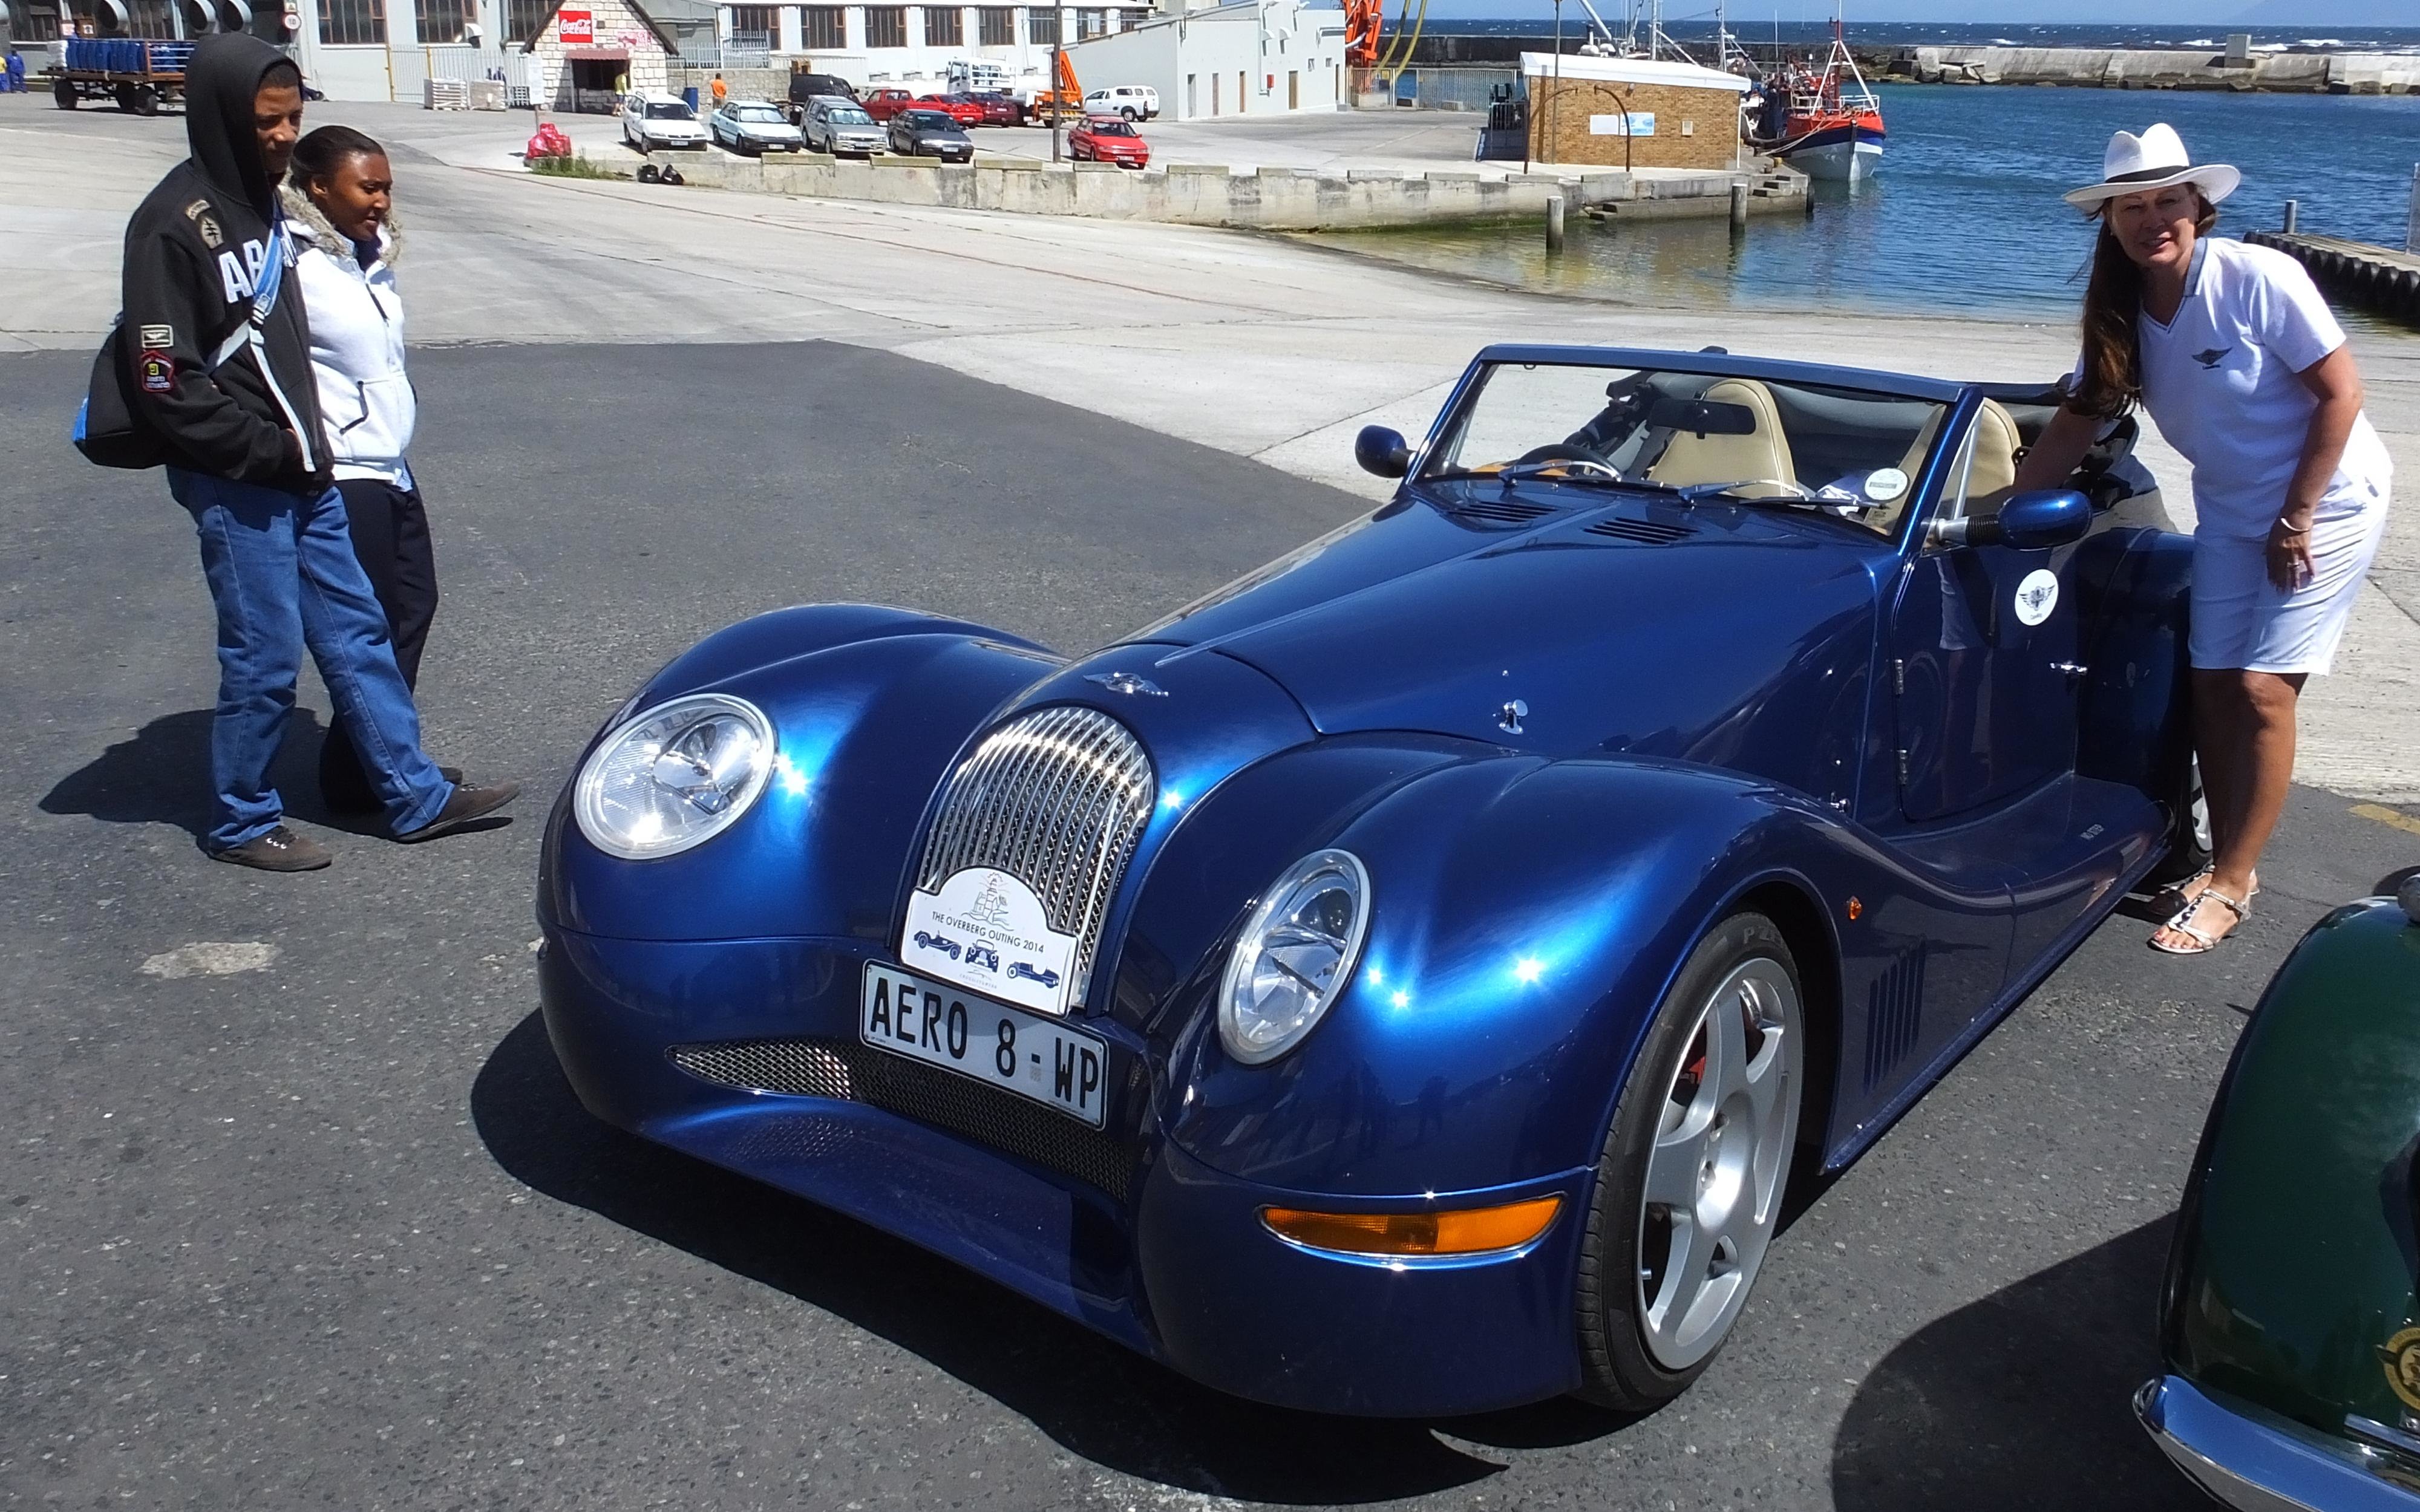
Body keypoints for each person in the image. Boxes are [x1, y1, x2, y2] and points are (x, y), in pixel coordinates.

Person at [119, 33, 517, 870]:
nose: (282, 136)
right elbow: (163, 377)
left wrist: (305, 448)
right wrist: (263, 447)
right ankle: (241, 820)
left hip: (308, 469)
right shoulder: (172, 225)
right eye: (266, 120)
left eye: (292, 118)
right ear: (220, 114)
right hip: (239, 476)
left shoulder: (267, 209)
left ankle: (413, 796)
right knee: (264, 656)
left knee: (361, 635)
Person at [2012, 123, 2392, 953]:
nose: (2153, 218)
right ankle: (2225, 862)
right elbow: (2078, 421)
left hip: (2326, 502)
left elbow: (2342, 394)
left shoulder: (2257, 277)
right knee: (2212, 683)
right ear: (2111, 221)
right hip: (2230, 508)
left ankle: (2232, 883)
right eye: (2133, 206)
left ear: (2199, 206)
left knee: (2262, 690)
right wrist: (2002, 513)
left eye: (2168, 201)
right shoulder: (2120, 310)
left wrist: (2296, 516)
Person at [280, 125, 442, 815]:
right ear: (320, 187)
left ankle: (368, 766)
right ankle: (371, 775)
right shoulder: (292, 262)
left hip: (389, 462)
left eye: (386, 188)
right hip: (341, 471)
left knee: (413, 608)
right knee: (368, 626)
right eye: (367, 187)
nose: (381, 201)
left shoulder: (366, 260)